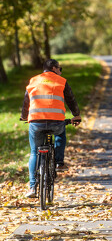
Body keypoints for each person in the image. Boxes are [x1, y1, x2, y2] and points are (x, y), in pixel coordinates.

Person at [21, 59, 81, 198]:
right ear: (54, 68)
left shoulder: (33, 80)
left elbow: (26, 101)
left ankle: (32, 187)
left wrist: (24, 116)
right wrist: (76, 115)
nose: (60, 71)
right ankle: (59, 162)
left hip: (36, 122)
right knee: (60, 135)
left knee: (34, 152)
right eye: (60, 68)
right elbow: (71, 100)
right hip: (57, 122)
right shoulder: (61, 81)